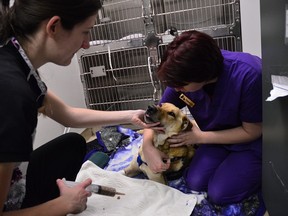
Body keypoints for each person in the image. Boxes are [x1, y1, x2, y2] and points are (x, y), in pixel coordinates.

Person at [0, 0, 159, 215]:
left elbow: (68, 115)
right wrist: (65, 205)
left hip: (17, 178)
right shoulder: (13, 95)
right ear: (53, 26)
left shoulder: (14, 56)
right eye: (85, 32)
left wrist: (131, 115)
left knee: (73, 143)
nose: (87, 44)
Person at [142, 30, 262, 206]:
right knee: (195, 182)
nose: (176, 90)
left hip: (251, 144)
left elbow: (252, 131)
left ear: (202, 75)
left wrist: (200, 137)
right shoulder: (182, 80)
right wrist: (147, 147)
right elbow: (155, 115)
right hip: (213, 139)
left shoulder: (249, 75)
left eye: (181, 86)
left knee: (219, 194)